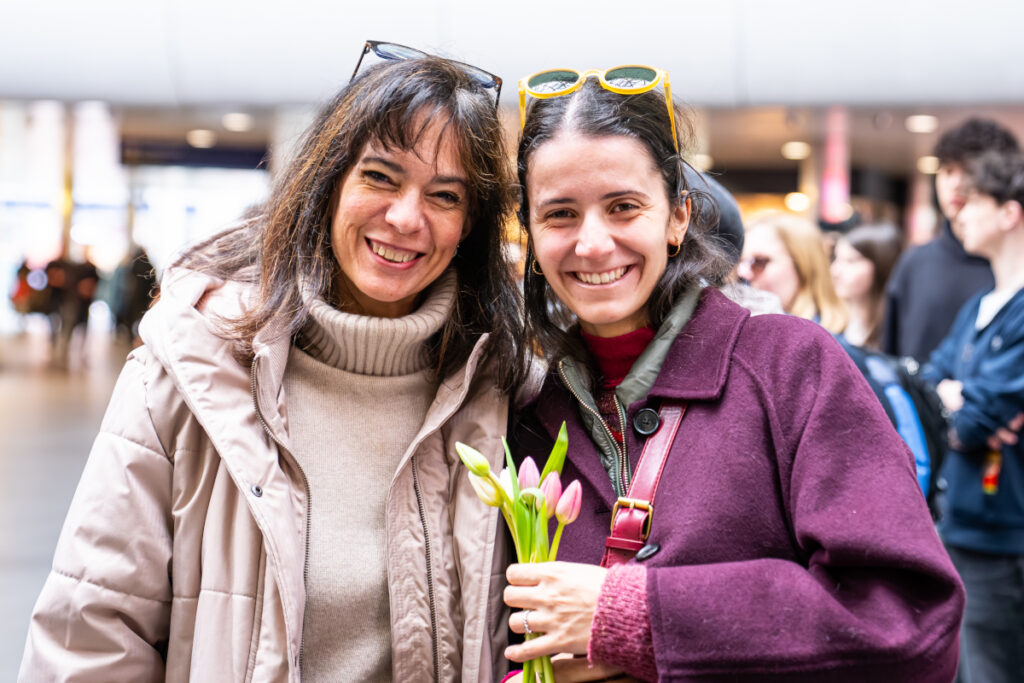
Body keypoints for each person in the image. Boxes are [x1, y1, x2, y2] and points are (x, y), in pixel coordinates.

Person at [20, 43, 524, 682]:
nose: (406, 218)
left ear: (469, 227)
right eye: (380, 177)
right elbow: (89, 637)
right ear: (328, 181)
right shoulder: (187, 373)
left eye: (445, 195)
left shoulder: (497, 392)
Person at [505, 66, 964, 681]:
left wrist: (627, 617)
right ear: (530, 233)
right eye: (560, 214)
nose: (592, 243)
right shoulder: (521, 406)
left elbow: (910, 622)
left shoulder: (791, 365)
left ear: (677, 218)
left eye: (623, 206)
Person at [922, 151, 1024, 683]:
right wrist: (952, 400)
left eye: (973, 202)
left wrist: (955, 401)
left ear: (1010, 212)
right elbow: (924, 389)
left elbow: (974, 420)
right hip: (958, 519)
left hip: (1003, 533)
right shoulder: (979, 305)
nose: (957, 213)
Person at [883, 118, 1018, 363]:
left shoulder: (1012, 278)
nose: (956, 184)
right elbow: (893, 359)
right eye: (947, 171)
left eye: (968, 171)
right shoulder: (915, 263)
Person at [738, 211, 847, 334]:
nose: (743, 273)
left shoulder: (834, 344)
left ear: (803, 265)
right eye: (741, 262)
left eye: (759, 262)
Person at [830, 223, 902, 350]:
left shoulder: (896, 330)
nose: (835, 271)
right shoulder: (829, 322)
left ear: (880, 266)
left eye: (850, 261)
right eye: (836, 259)